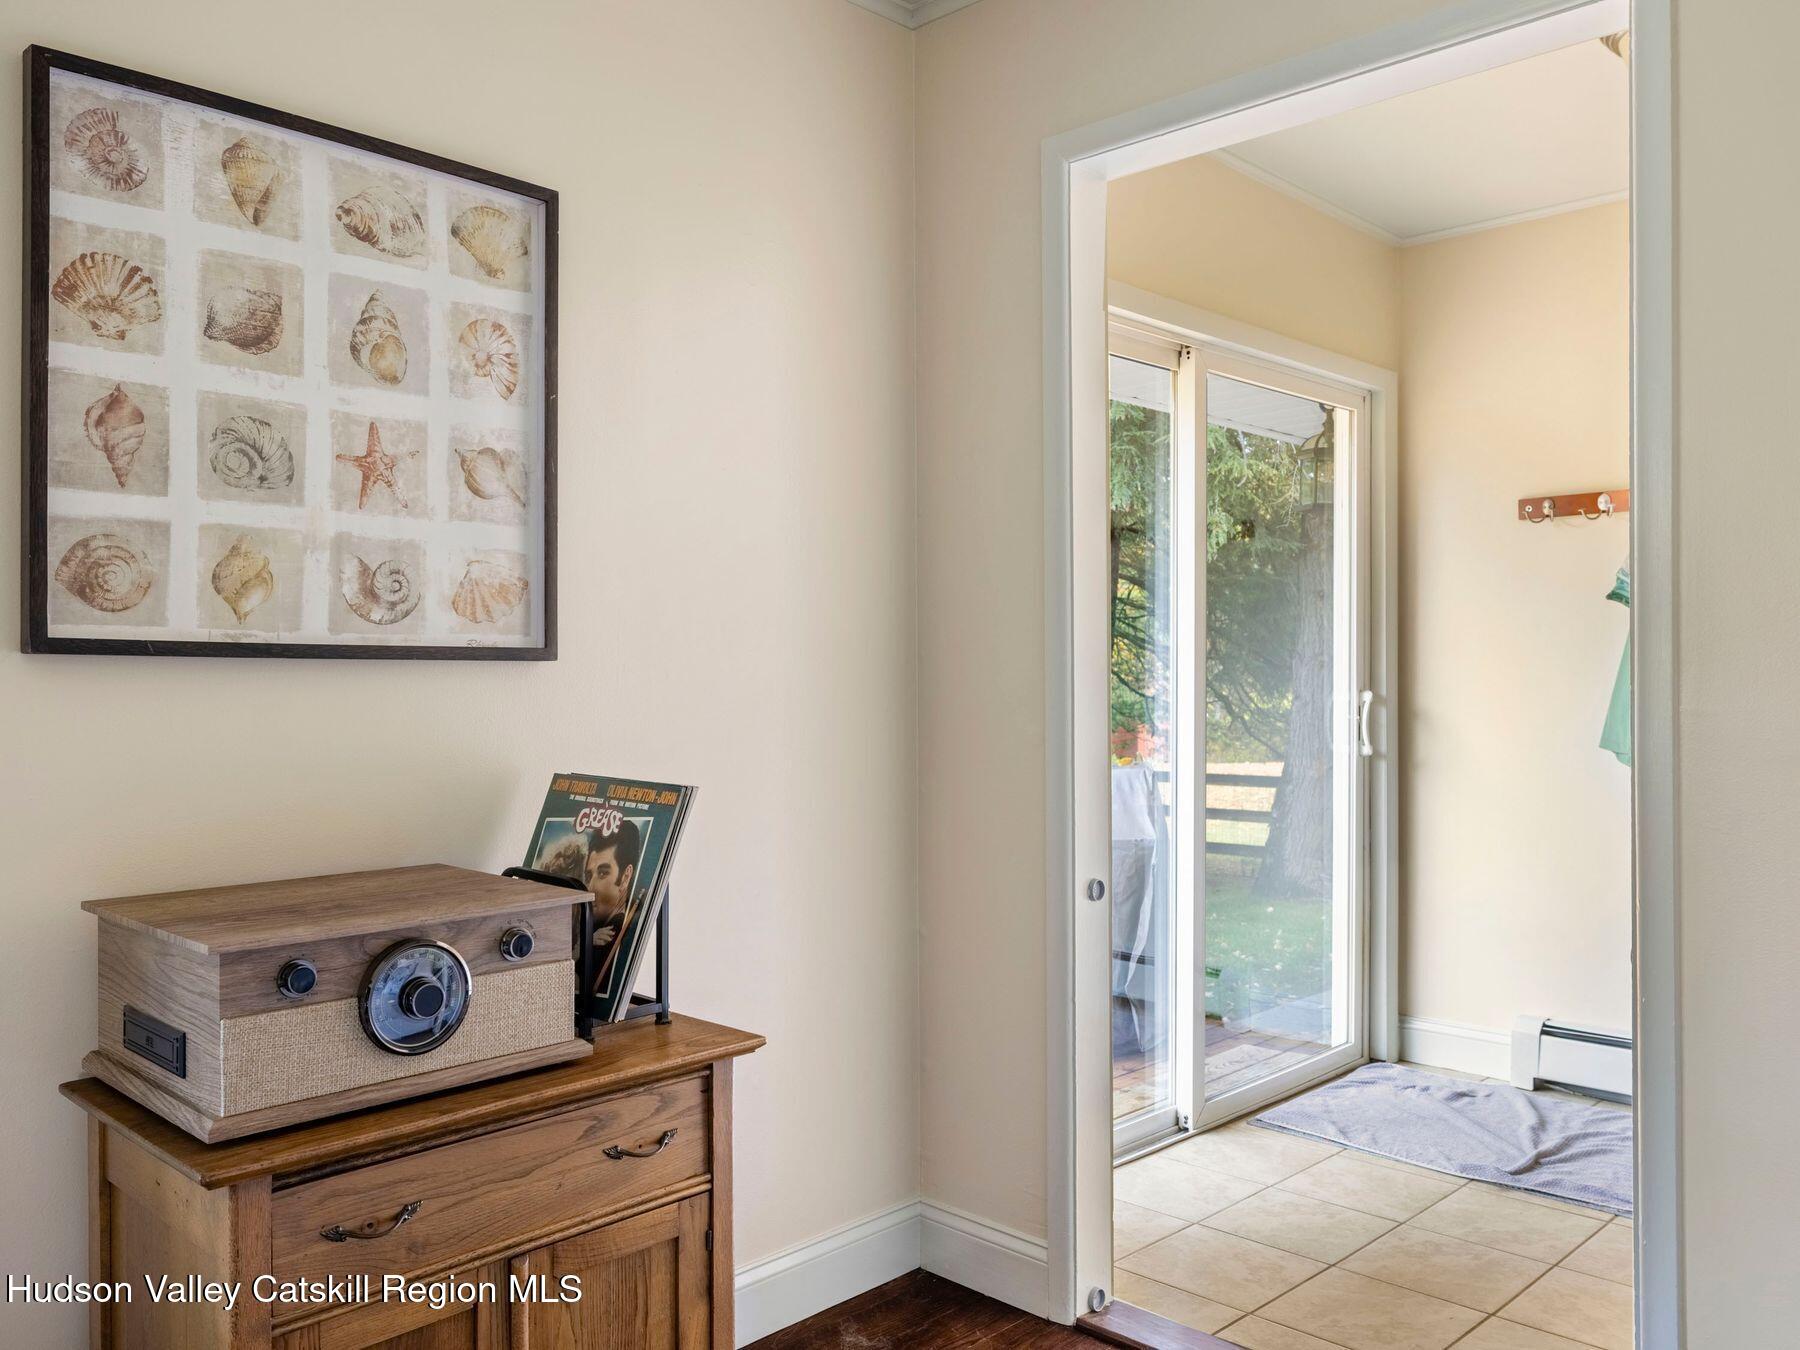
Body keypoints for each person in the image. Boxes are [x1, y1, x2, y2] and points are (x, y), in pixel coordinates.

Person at [583, 818, 641, 988]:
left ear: (625, 877)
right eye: (589, 876)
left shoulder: (610, 935)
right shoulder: (595, 929)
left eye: (602, 874)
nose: (590, 888)